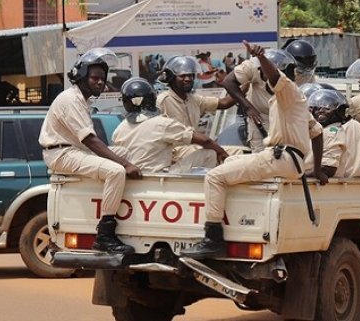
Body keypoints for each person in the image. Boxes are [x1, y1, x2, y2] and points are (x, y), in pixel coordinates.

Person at [181, 41, 324, 259]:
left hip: (281, 157)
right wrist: (318, 169)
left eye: (268, 73)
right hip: (289, 160)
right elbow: (317, 132)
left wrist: (261, 56)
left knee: (214, 177)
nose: (265, 77)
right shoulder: (291, 100)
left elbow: (275, 78)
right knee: (228, 165)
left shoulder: (287, 90)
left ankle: (213, 238)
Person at [39, 48, 142, 255]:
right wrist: (125, 164)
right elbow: (91, 141)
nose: (100, 82)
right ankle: (105, 234)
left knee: (126, 151)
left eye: (103, 79)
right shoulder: (70, 99)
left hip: (72, 150)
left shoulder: (82, 100)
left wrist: (125, 157)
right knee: (116, 171)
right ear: (81, 76)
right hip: (61, 154)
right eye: (95, 78)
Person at [112, 78, 227, 173]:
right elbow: (205, 141)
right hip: (160, 177)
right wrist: (221, 152)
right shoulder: (161, 123)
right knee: (210, 153)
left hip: (135, 176)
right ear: (152, 98)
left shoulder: (119, 129)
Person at [305, 89, 360, 184]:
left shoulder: (331, 132)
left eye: (326, 109)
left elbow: (328, 168)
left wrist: (302, 174)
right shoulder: (334, 129)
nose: (320, 111)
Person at [157, 55, 236, 131]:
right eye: (182, 76)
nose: (187, 79)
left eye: (190, 75)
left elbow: (224, 103)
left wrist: (245, 82)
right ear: (172, 78)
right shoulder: (162, 101)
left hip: (191, 145)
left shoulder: (193, 99)